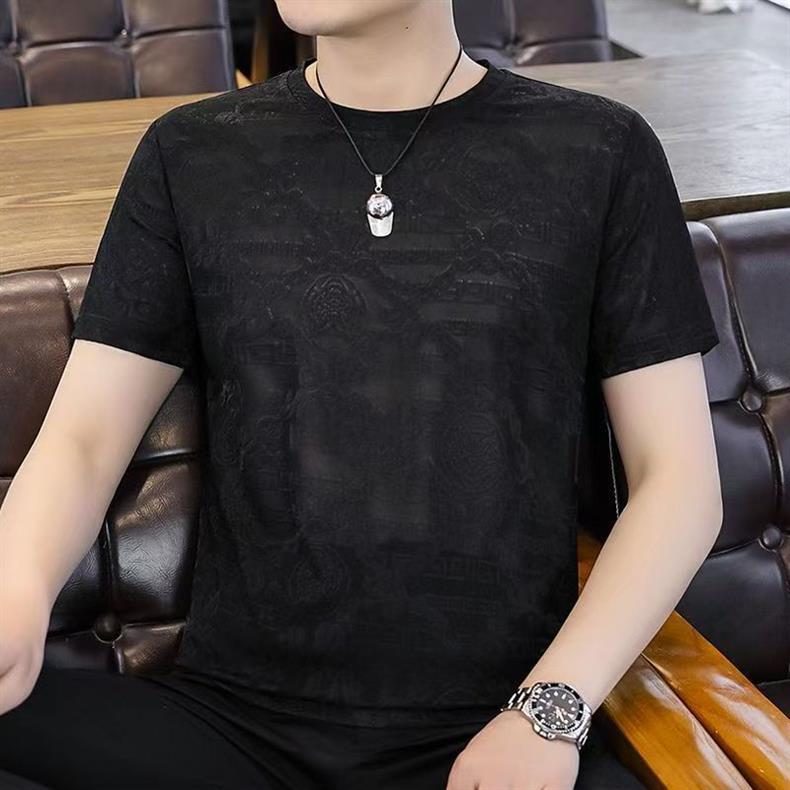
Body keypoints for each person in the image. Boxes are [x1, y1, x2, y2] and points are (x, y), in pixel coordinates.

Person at [0, 1, 723, 788]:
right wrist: (18, 588)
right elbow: (85, 440)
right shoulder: (193, 152)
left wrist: (549, 709)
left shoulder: (600, 151)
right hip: (232, 724)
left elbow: (678, 482)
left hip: (488, 731)